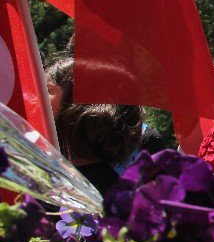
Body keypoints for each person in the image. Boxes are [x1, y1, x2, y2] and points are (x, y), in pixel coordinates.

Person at [45, 58, 147, 194]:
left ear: (72, 103)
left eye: (47, 89)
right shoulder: (118, 192)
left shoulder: (65, 194)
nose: (36, 96)